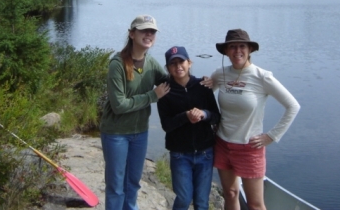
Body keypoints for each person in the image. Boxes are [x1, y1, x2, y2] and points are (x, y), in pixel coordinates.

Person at [211, 29, 300, 210]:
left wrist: (271, 136)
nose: (237, 51)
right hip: (222, 143)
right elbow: (201, 95)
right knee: (230, 194)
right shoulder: (220, 75)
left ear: (250, 49)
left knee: (255, 205)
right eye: (232, 47)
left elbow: (293, 106)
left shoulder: (262, 76)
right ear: (226, 51)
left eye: (242, 46)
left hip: (249, 148)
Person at [100, 14, 170, 210]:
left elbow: (172, 85)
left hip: (140, 133)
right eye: (144, 30)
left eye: (152, 32)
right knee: (116, 186)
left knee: (133, 182)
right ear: (132, 34)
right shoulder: (117, 64)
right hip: (116, 134)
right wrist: (152, 96)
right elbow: (119, 105)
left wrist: (201, 82)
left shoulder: (151, 63)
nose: (149, 34)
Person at [157, 46, 221, 210]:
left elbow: (216, 116)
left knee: (201, 202)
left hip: (205, 152)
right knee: (184, 199)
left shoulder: (203, 86)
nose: (178, 67)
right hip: (180, 154)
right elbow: (166, 125)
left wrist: (203, 114)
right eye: (173, 64)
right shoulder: (165, 92)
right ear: (167, 68)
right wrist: (185, 116)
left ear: (189, 63)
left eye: (181, 61)